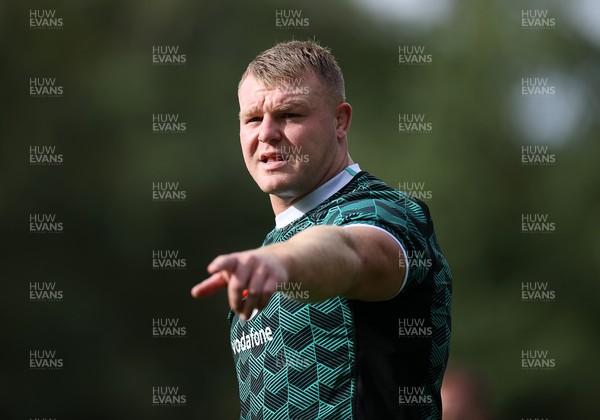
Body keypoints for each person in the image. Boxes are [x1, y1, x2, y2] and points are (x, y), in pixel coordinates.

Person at [191, 40, 452, 420]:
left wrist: (281, 263)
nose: (267, 133)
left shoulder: (386, 212)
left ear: (339, 121)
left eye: (290, 114)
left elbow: (348, 251)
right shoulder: (267, 249)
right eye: (252, 119)